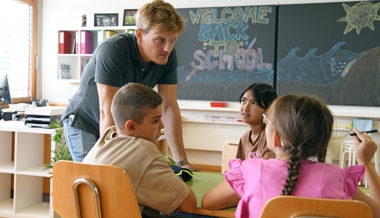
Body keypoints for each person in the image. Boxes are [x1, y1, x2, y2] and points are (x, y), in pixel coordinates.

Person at [62, 0, 197, 171]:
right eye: (160, 40)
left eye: (172, 41)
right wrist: (111, 166)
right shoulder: (113, 50)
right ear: (139, 34)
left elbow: (169, 106)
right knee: (98, 178)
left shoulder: (166, 55)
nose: (167, 48)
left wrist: (182, 162)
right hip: (86, 122)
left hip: (121, 126)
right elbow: (107, 111)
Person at [202, 94, 380, 218]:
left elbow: (208, 202)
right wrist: (367, 163)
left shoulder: (252, 170)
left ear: (276, 138)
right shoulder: (337, 178)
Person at [83, 83, 196, 216]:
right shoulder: (144, 150)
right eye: (155, 120)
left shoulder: (107, 139)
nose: (162, 125)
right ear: (131, 127)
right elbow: (189, 204)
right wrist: (178, 180)